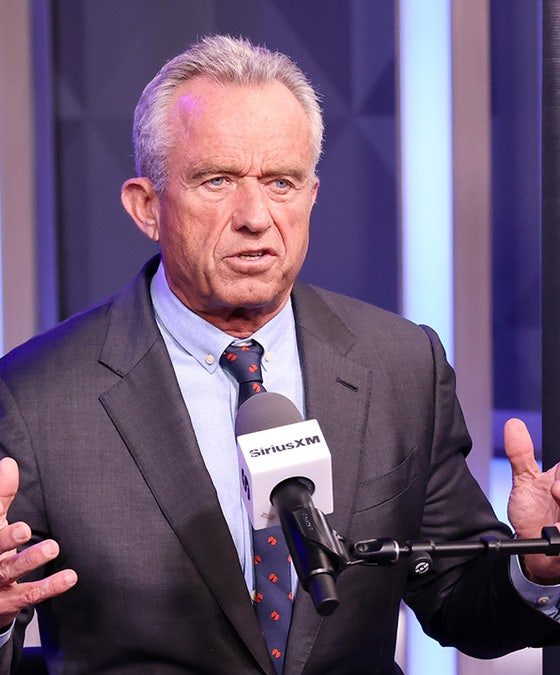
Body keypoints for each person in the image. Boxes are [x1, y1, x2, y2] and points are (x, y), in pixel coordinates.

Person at [0, 34, 557, 674]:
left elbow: (461, 601)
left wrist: (536, 565)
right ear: (147, 206)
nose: (255, 217)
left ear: (312, 196)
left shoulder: (402, 364)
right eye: (217, 180)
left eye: (281, 182)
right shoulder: (36, 397)